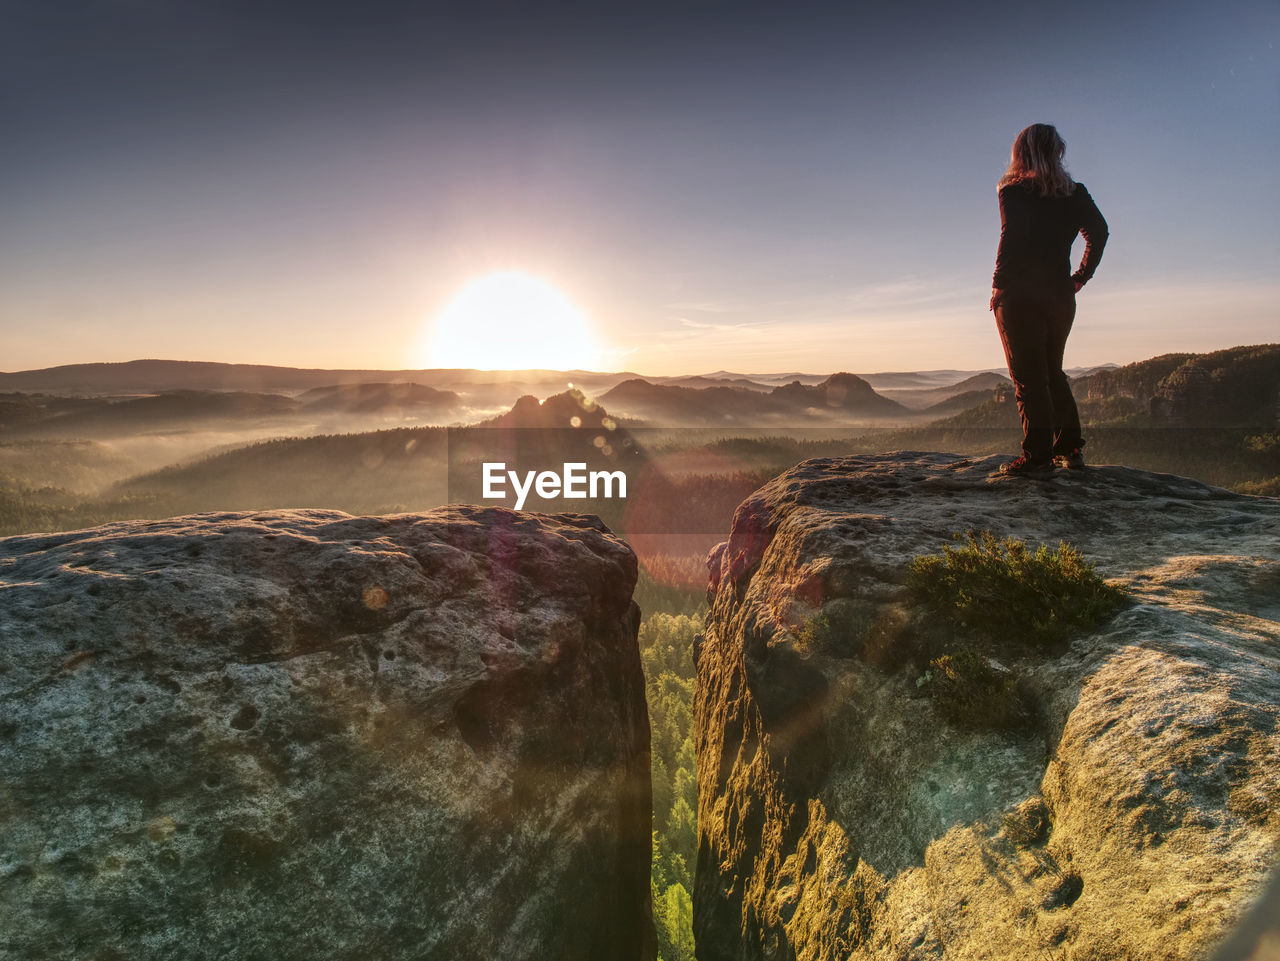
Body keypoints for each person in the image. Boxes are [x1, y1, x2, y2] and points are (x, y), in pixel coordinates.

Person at [990, 123, 1108, 476]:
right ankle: (1070, 448)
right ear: (1057, 151)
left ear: (1020, 153)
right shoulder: (1075, 193)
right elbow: (1098, 233)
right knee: (1052, 372)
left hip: (1021, 296)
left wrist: (999, 286)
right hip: (1059, 294)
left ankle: (1037, 458)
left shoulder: (1013, 190)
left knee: (1028, 379)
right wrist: (1080, 278)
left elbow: (1011, 237)